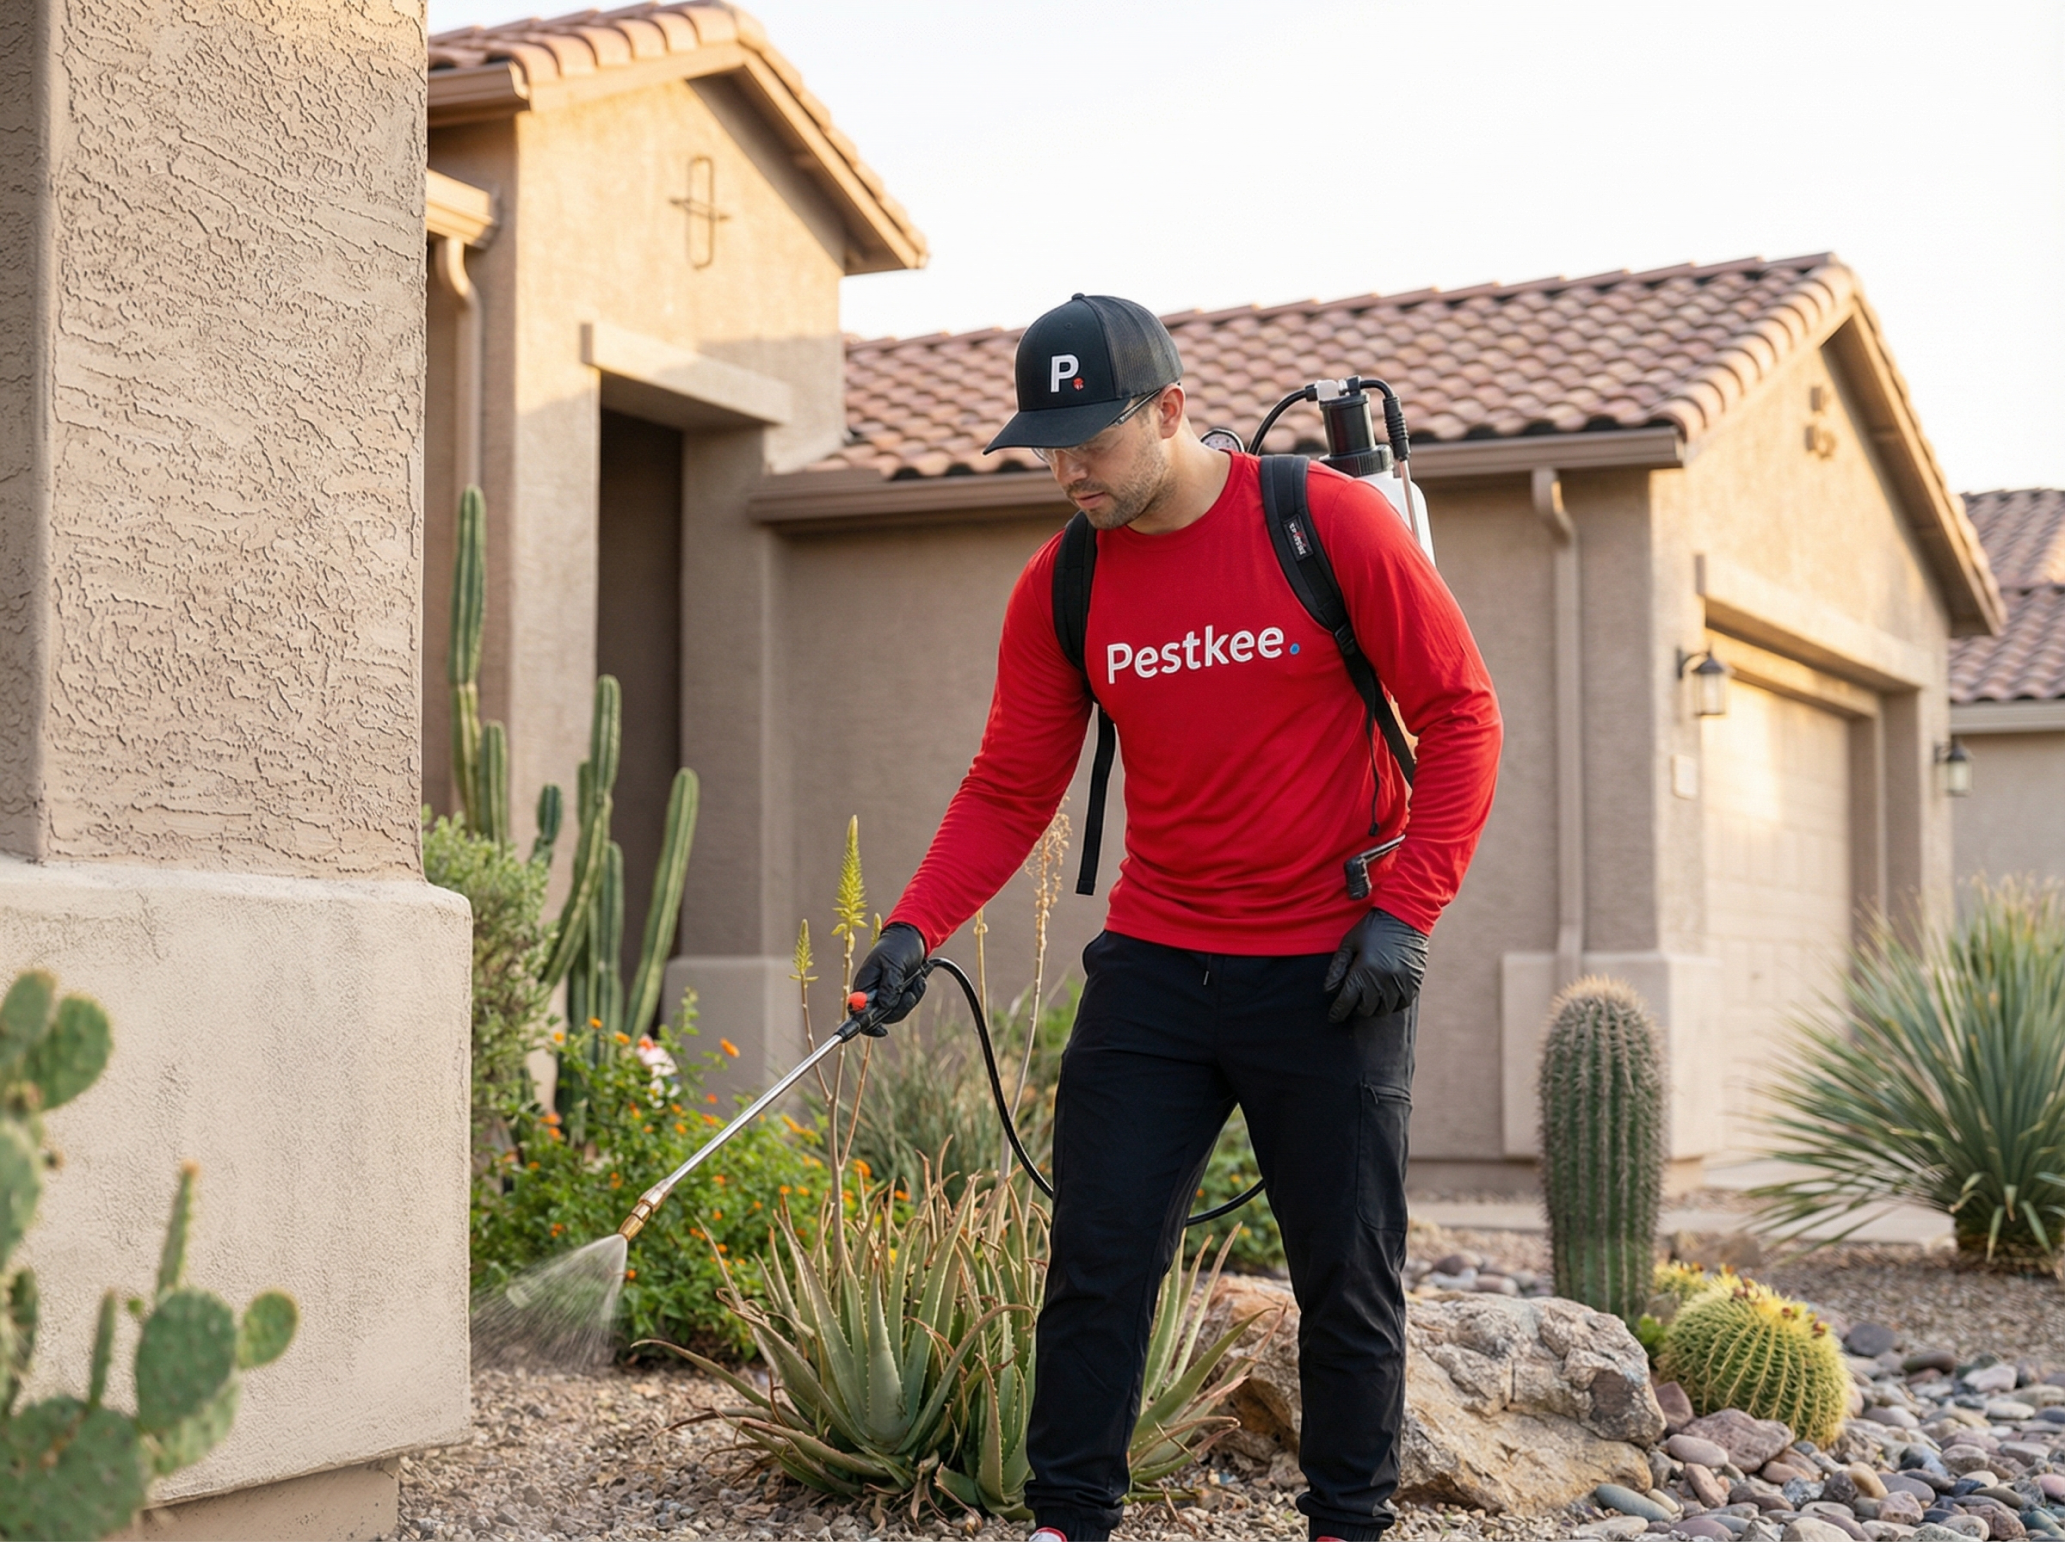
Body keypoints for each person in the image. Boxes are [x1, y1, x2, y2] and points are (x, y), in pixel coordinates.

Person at [852, 294, 1502, 1542]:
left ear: (1169, 412)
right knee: (1097, 1264)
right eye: (1047, 445)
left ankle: (1347, 1524)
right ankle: (1068, 1520)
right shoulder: (1065, 580)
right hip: (1155, 966)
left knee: (1347, 1283)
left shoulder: (1323, 522)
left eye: (1090, 441)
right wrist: (911, 929)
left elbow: (1462, 715)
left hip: (1332, 964)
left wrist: (1407, 910)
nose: (1066, 470)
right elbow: (1008, 784)